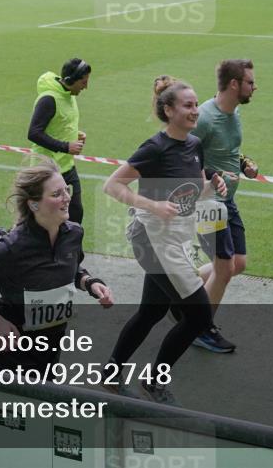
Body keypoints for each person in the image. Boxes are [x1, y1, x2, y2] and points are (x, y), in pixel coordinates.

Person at [102, 76, 227, 405]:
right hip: (152, 238)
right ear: (168, 109)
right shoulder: (154, 148)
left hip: (177, 238)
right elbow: (112, 186)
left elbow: (195, 192)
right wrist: (152, 204)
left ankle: (111, 373)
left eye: (195, 104)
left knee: (151, 312)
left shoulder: (194, 145)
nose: (194, 110)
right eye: (187, 105)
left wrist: (214, 188)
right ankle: (154, 380)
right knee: (198, 317)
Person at [0, 158, 113, 372]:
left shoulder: (74, 233)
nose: (67, 198)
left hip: (51, 341)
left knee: (42, 399)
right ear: (34, 204)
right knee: (4, 404)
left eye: (66, 190)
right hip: (12, 345)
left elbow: (70, 268)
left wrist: (89, 283)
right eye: (56, 194)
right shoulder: (12, 247)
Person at [190, 59, 258, 354]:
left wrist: (244, 165)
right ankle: (199, 327)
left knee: (237, 263)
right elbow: (185, 158)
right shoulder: (204, 117)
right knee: (224, 267)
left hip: (227, 201)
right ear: (234, 84)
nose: (254, 87)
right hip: (207, 202)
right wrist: (212, 176)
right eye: (250, 82)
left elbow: (228, 149)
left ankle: (185, 289)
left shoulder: (234, 112)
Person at [27, 58, 91, 225]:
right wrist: (66, 146)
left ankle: (70, 251)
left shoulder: (69, 95)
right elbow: (34, 133)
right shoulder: (49, 99)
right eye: (83, 82)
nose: (86, 86)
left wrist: (74, 134)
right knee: (39, 218)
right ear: (71, 80)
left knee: (75, 213)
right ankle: (6, 239)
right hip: (45, 169)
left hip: (67, 167)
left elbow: (60, 123)